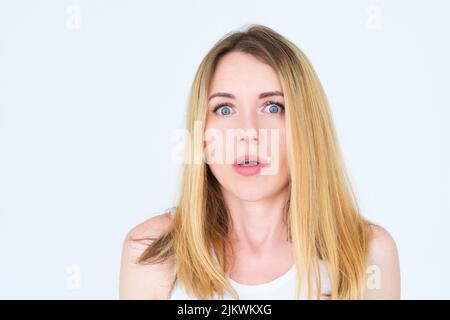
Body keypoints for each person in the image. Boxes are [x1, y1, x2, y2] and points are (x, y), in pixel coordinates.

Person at [119, 24, 400, 300]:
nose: (249, 132)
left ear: (307, 127)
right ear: (201, 133)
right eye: (225, 109)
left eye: (273, 107)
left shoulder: (368, 252)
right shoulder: (151, 252)